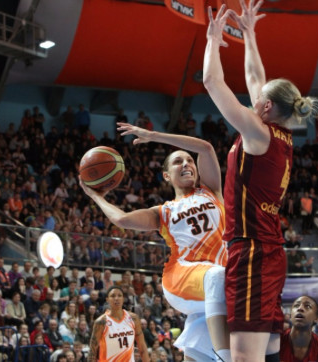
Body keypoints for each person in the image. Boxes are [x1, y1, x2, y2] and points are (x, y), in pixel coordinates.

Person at [204, 1, 318, 361]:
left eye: (260, 98)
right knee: (265, 353)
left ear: (266, 107)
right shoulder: (278, 132)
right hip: (267, 250)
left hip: (253, 252)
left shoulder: (257, 131)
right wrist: (250, 34)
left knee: (244, 358)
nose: (254, 96)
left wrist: (212, 38)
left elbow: (211, 81)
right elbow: (257, 77)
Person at [82, 124, 231, 361]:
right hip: (181, 277)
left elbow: (206, 148)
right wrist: (95, 196)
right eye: (177, 162)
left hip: (211, 288)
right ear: (166, 175)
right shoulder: (163, 212)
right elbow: (121, 218)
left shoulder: (211, 191)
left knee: (199, 350)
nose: (186, 164)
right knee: (217, 276)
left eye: (189, 161)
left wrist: (153, 136)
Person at [88, 286, 149, 362]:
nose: (116, 298)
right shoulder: (101, 322)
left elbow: (142, 347)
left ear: (123, 299)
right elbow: (92, 352)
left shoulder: (133, 318)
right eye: (113, 296)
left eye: (119, 295)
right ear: (107, 299)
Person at [279, 296, 318, 362]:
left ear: (316, 318)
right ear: (290, 316)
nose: (300, 308)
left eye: (307, 306)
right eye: (296, 305)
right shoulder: (277, 341)